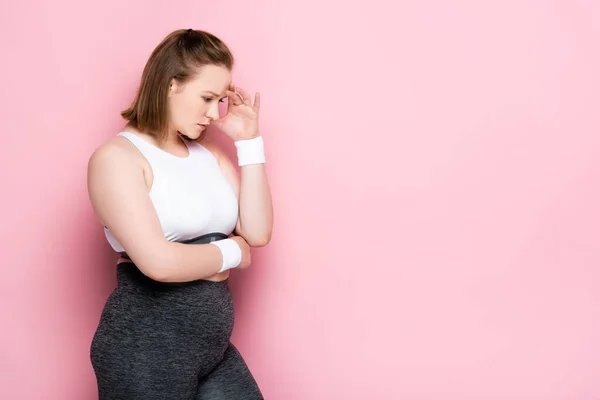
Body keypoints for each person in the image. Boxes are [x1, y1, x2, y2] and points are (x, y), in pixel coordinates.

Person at [86, 28, 273, 399]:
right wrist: (232, 253)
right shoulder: (117, 159)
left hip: (212, 351)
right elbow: (159, 263)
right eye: (206, 97)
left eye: (220, 100)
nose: (212, 113)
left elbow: (257, 232)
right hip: (144, 353)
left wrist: (249, 142)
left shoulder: (210, 155)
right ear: (171, 85)